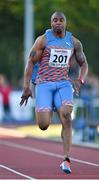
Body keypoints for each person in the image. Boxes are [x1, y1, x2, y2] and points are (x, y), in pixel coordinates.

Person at [20, 11, 88, 174]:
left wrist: (80, 80)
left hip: (63, 84)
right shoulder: (43, 40)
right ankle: (51, 105)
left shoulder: (74, 42)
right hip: (44, 84)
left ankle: (66, 159)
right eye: (55, 20)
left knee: (67, 117)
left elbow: (84, 64)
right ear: (51, 23)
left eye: (61, 20)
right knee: (43, 125)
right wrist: (26, 86)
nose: (58, 23)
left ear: (66, 23)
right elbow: (30, 62)